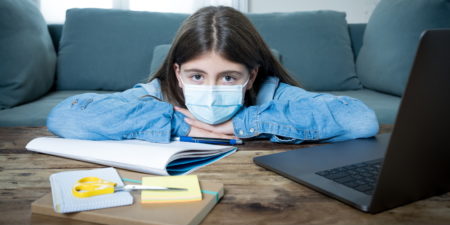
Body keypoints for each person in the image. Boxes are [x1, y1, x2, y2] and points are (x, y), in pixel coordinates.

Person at [47, 6, 379, 144]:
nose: (210, 89)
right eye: (196, 76)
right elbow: (68, 118)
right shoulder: (158, 92)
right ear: (177, 73)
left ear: (251, 76)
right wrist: (182, 123)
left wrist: (241, 125)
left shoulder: (271, 93)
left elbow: (360, 121)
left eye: (229, 77)